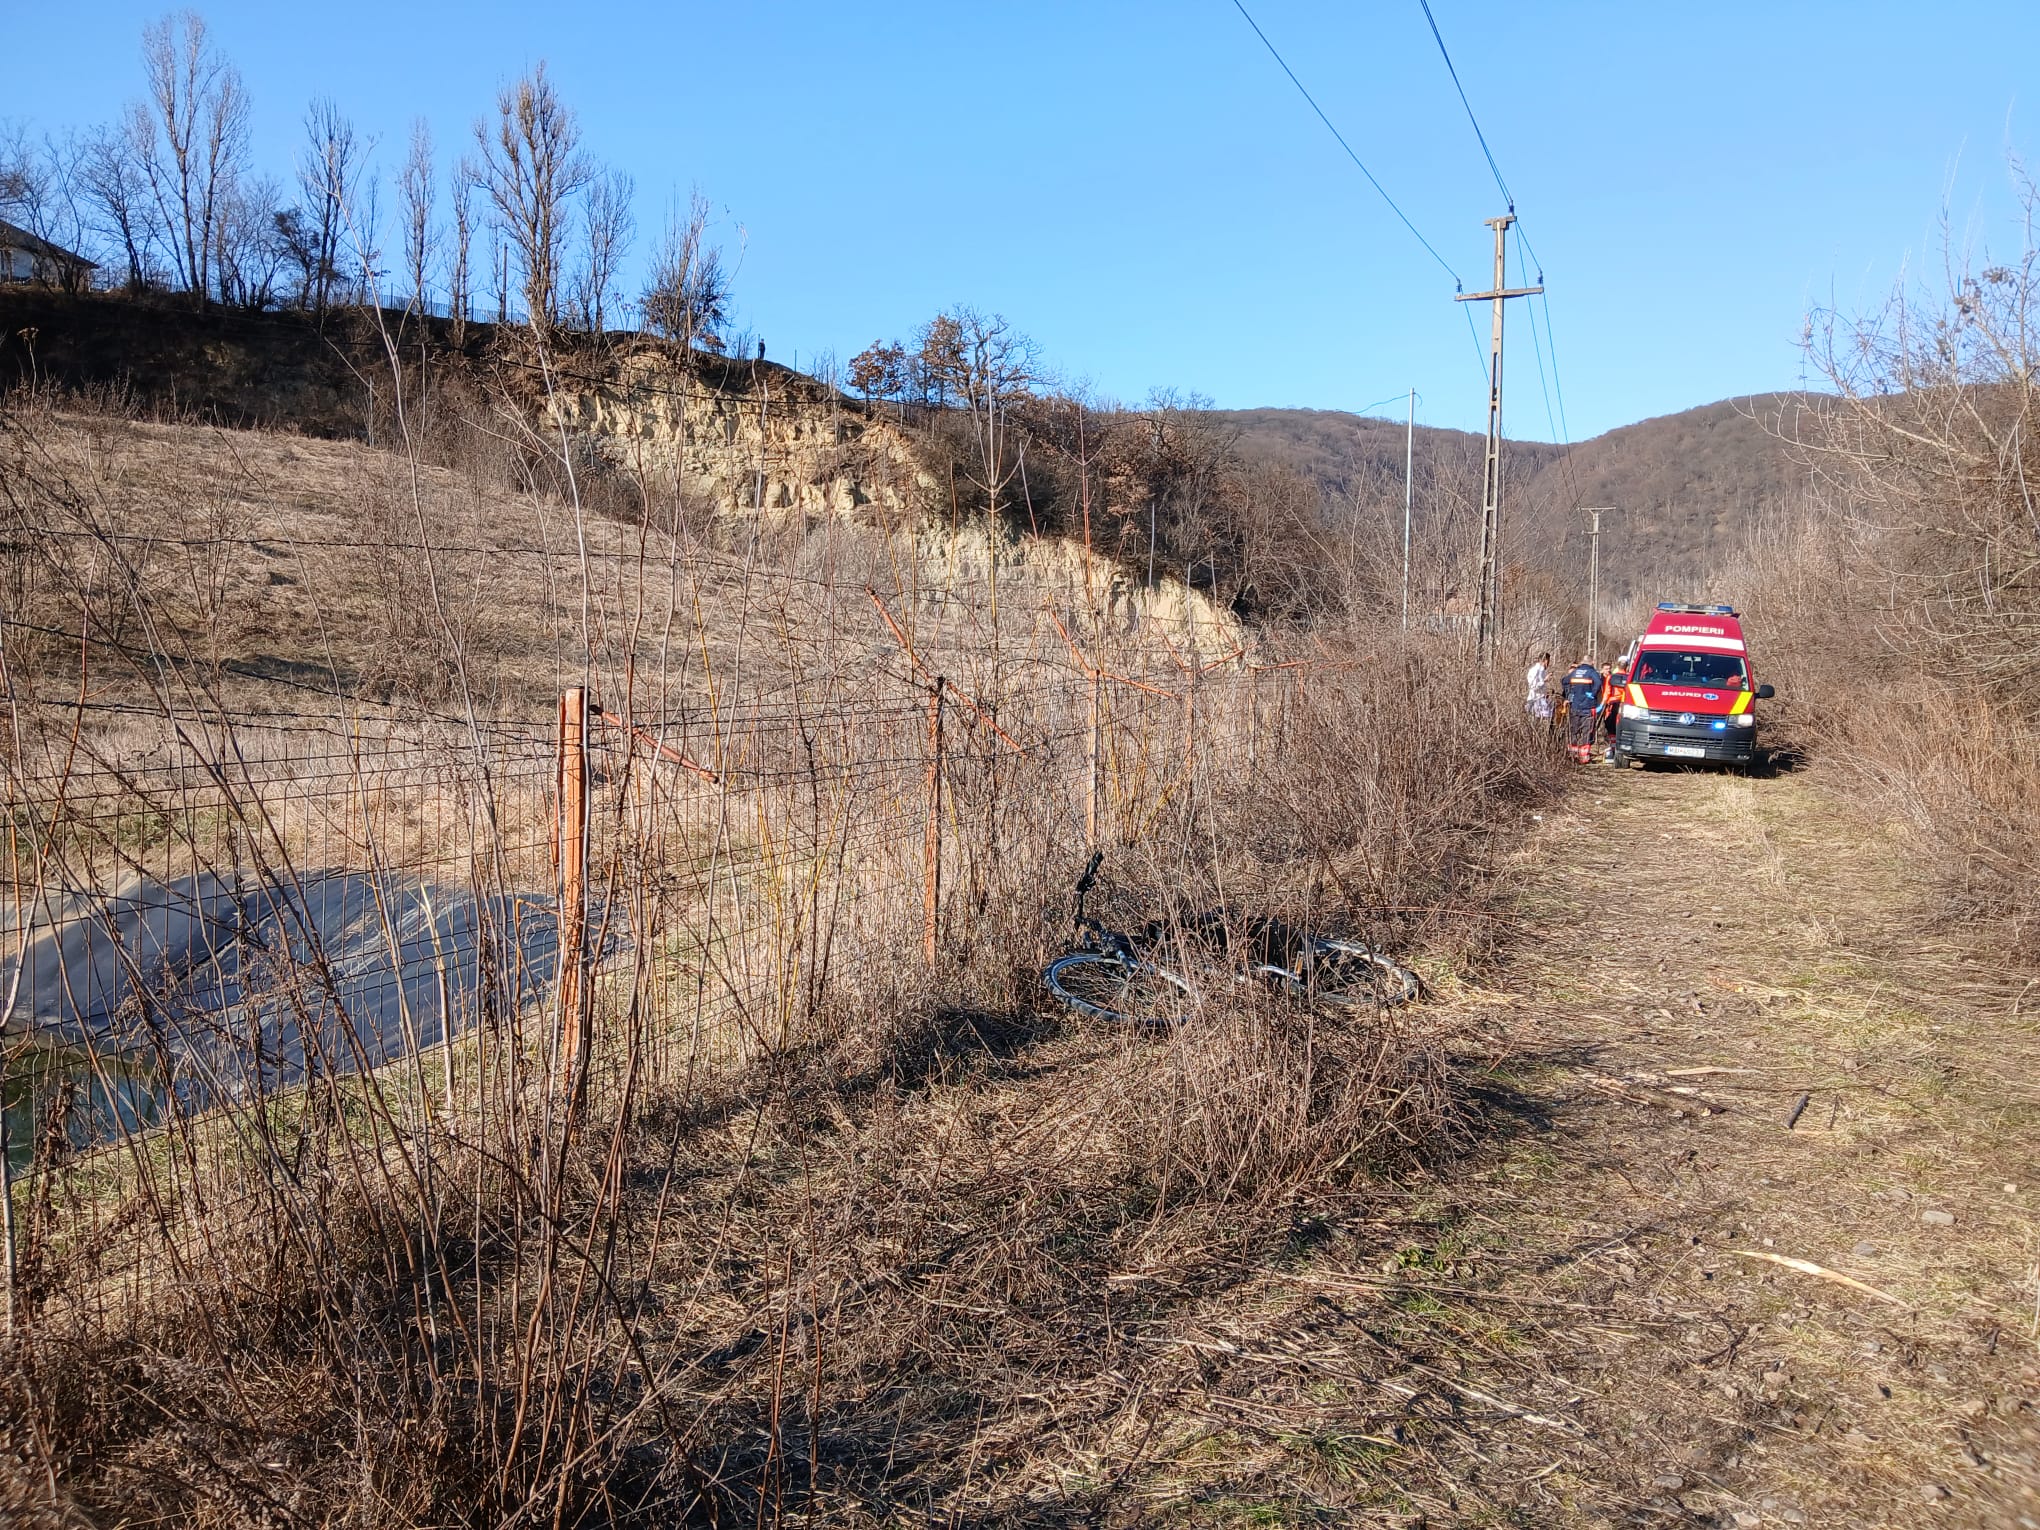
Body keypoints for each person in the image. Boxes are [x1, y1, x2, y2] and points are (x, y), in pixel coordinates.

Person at [1561, 653, 1604, 761]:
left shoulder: (1575, 672)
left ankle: (1572, 755)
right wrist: (1593, 694)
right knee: (1586, 731)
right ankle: (1584, 757)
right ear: (1592, 662)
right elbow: (1598, 683)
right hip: (1588, 707)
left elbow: (1564, 681)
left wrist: (1569, 694)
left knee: (1574, 730)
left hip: (1574, 706)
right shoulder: (1592, 672)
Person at [1524, 652, 1553, 722]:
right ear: (1545, 661)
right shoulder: (1534, 670)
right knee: (1535, 725)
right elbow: (1533, 686)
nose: (1549, 664)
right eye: (1548, 661)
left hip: (1542, 701)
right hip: (1534, 701)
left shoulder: (1543, 671)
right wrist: (1544, 680)